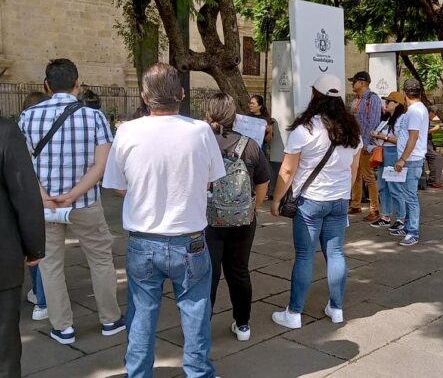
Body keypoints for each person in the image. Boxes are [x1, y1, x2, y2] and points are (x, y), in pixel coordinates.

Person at [103, 63, 224, 377]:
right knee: (196, 311)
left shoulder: (127, 131)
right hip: (191, 240)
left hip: (143, 240)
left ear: (144, 97)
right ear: (181, 94)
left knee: (142, 313)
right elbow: (211, 180)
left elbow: (117, 186)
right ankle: (199, 372)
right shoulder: (201, 131)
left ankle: (138, 373)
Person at [19, 58, 124, 345]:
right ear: (78, 84)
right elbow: (101, 165)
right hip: (85, 202)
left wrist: (42, 194)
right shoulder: (94, 117)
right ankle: (109, 320)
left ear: (46, 85)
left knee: (50, 265)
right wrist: (75, 193)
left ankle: (62, 326)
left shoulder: (28, 117)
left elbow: (21, 164)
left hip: (45, 206)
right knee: (101, 259)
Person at [270, 74, 362, 329]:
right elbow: (353, 171)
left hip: (310, 202)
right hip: (339, 200)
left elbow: (287, 171)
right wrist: (344, 193)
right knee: (336, 253)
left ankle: (294, 313)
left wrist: (276, 199)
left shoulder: (305, 129)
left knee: (304, 256)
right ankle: (337, 308)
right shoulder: (352, 130)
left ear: (315, 95)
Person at [204, 92, 271, 342]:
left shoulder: (201, 143)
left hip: (207, 219)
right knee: (239, 271)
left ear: (208, 113)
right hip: (243, 219)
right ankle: (242, 325)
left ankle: (202, 326)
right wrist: (253, 207)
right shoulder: (250, 144)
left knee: (208, 274)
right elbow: (263, 181)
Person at [0, 119, 45, 378]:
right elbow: (25, 195)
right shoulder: (5, 132)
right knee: (4, 348)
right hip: (3, 256)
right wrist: (34, 247)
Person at [21, 91, 50, 321]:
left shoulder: (21, 128)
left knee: (33, 249)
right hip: (48, 196)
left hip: (27, 197)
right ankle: (42, 300)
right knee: (44, 252)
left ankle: (38, 296)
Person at [390, 78, 429, 246]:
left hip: (411, 160)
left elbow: (413, 137)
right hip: (411, 159)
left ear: (404, 94)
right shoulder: (418, 109)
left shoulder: (414, 112)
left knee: (411, 197)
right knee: (407, 195)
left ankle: (413, 231)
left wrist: (402, 159)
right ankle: (407, 227)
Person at [368, 91, 407, 232]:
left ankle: (401, 218)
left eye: (389, 101)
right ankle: (385, 216)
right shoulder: (386, 119)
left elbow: (402, 140)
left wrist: (383, 137)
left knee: (394, 187)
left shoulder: (402, 119)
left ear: (397, 104)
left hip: (393, 153)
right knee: (383, 186)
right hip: (382, 152)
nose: (386, 104)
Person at [347, 71, 382, 221]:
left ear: (362, 83)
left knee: (368, 176)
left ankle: (375, 209)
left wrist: (366, 145)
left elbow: (373, 123)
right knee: (355, 175)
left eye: (353, 81)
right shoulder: (356, 100)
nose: (351, 84)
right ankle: (356, 204)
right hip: (355, 143)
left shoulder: (372, 99)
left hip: (365, 143)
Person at [426, 105, 443, 189]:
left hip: (428, 143)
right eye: (434, 114)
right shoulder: (424, 118)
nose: (434, 116)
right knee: (437, 157)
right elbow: (421, 132)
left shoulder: (427, 120)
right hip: (423, 144)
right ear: (431, 112)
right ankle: (434, 180)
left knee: (434, 157)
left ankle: (433, 180)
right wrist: (434, 129)